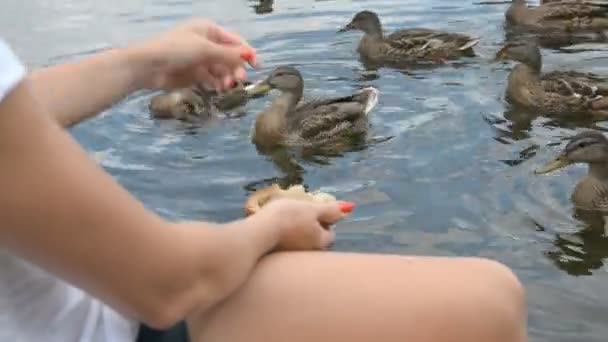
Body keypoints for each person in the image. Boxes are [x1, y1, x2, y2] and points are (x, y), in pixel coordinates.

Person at [0, 18, 528, 342]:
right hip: (111, 321)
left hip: (86, 299)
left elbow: (17, 111)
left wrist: (148, 63)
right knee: (491, 299)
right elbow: (166, 286)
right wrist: (274, 225)